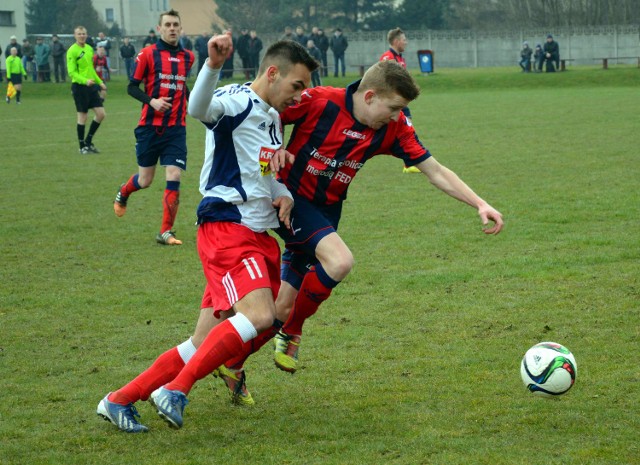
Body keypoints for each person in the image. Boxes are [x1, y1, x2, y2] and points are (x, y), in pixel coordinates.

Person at [203, 60, 504, 399]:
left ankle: (232, 363)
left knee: (282, 306)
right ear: (371, 96)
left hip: (328, 212)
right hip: (293, 202)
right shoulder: (318, 101)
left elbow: (434, 170)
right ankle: (292, 333)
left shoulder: (393, 127)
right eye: (393, 108)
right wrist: (273, 149)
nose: (396, 116)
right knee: (339, 261)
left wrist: (479, 203)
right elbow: (265, 112)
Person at [97, 38, 318, 432]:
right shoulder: (236, 100)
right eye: (296, 85)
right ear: (272, 73)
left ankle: (119, 399)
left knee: (204, 341)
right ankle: (176, 390)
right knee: (261, 315)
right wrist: (212, 65)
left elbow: (260, 174)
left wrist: (281, 194)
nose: (299, 96)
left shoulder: (270, 116)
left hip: (255, 233)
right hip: (228, 229)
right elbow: (198, 108)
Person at [112, 9, 195, 246]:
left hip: (176, 128)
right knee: (145, 180)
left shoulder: (188, 57)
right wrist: (152, 101)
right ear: (160, 29)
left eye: (175, 25)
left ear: (180, 28)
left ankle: (165, 232)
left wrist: (192, 103)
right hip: (149, 128)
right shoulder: (147, 54)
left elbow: (182, 87)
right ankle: (124, 191)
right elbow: (131, 87)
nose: (171, 28)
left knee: (174, 174)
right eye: (167, 24)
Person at [380, 27, 419, 174]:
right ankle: (409, 164)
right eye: (404, 40)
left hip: (400, 102)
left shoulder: (400, 58)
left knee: (406, 131)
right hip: (393, 102)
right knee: (403, 132)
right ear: (396, 41)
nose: (406, 42)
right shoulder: (387, 58)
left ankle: (409, 164)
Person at [67, 25, 107, 154]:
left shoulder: (89, 49)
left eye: (83, 33)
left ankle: (88, 142)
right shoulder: (72, 51)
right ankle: (81, 147)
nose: (82, 36)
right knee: (82, 116)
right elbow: (72, 72)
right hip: (79, 87)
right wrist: (85, 81)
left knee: (101, 114)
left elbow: (91, 69)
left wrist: (100, 82)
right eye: (79, 34)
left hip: (91, 86)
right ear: (75, 35)